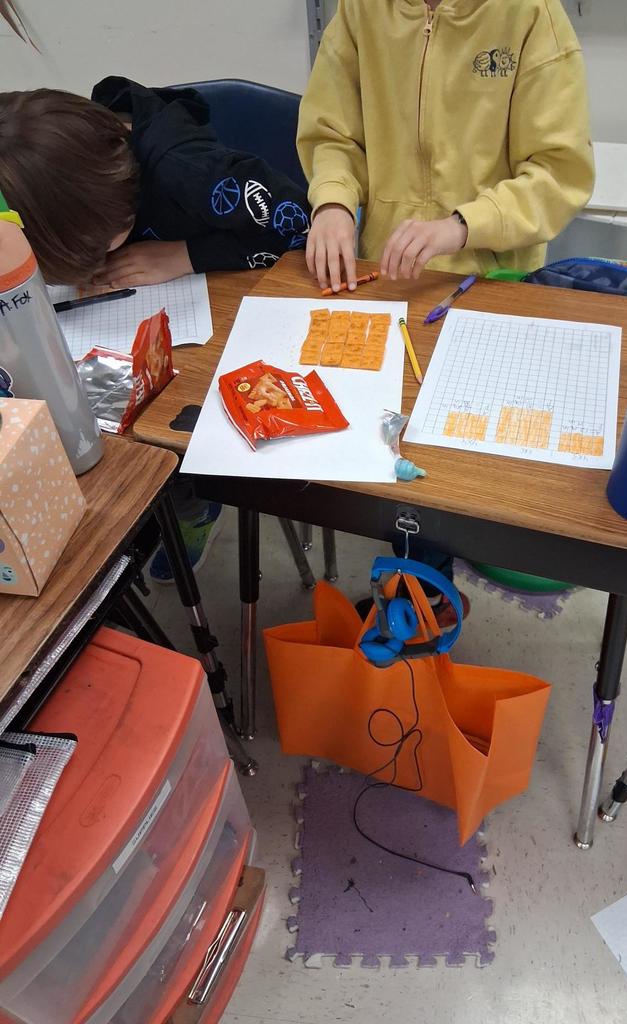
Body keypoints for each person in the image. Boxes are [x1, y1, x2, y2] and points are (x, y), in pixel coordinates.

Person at [297, 0, 595, 626]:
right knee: (395, 440)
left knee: (456, 456)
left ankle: (431, 578)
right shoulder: (361, 11)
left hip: (493, 275)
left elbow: (557, 171)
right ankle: (418, 579)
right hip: (391, 272)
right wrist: (333, 202)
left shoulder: (530, 16)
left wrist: (464, 224)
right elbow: (333, 134)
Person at [0, 78, 311, 582]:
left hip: (225, 305)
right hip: (137, 310)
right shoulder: (59, 165)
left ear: (114, 214)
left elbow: (301, 229)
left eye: (93, 249)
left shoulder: (190, 174)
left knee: (172, 419)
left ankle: (194, 505)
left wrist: (185, 255)